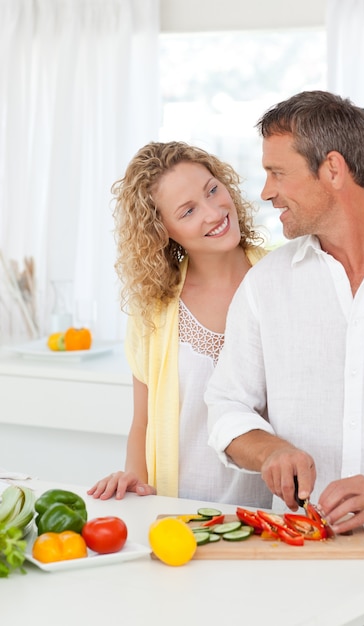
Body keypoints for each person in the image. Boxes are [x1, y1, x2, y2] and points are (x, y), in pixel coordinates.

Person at [205, 91, 364, 625]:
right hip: (302, 566)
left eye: (277, 172)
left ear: (333, 170)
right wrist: (269, 451)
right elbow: (226, 405)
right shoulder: (266, 285)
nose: (266, 192)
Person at [88, 141, 272, 508]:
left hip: (272, 516)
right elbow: (142, 423)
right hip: (180, 515)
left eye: (212, 190)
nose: (213, 212)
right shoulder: (152, 310)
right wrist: (135, 486)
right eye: (188, 211)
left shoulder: (283, 279)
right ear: (162, 231)